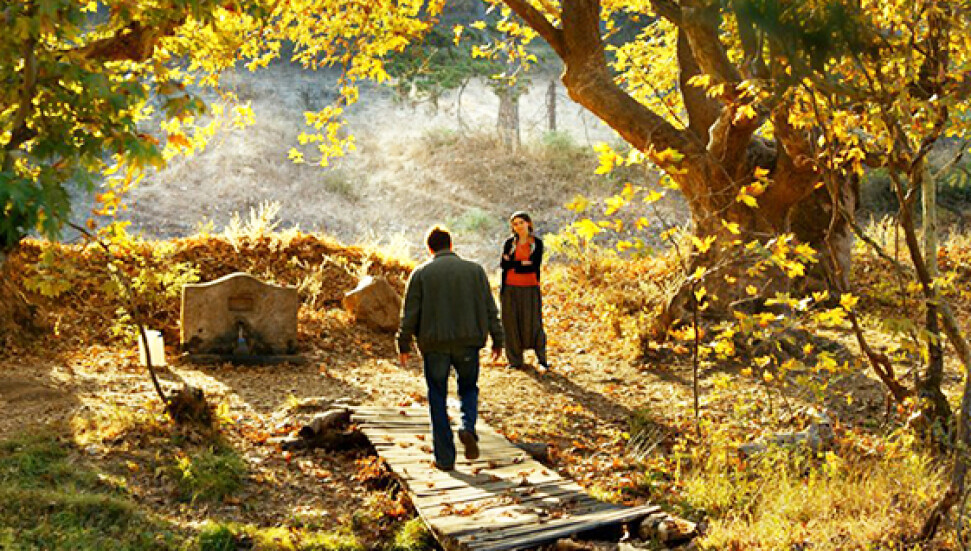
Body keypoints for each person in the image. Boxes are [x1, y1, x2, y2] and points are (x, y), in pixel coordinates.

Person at [397, 225, 504, 471]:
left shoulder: (421, 273)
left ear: (429, 248)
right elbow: (490, 308)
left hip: (435, 345)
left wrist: (403, 343)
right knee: (467, 388)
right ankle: (467, 427)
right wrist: (498, 339)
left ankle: (445, 458)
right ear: (451, 245)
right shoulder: (475, 271)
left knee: (437, 396)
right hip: (468, 343)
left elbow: (409, 313)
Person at [500, 211, 549, 370]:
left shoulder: (536, 243)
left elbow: (534, 265)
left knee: (534, 322)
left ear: (528, 223)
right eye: (515, 224)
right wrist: (521, 264)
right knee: (511, 322)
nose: (518, 226)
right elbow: (504, 264)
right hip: (510, 287)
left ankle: (541, 359)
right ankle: (515, 361)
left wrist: (514, 264)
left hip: (530, 286)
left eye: (521, 222)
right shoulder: (509, 243)